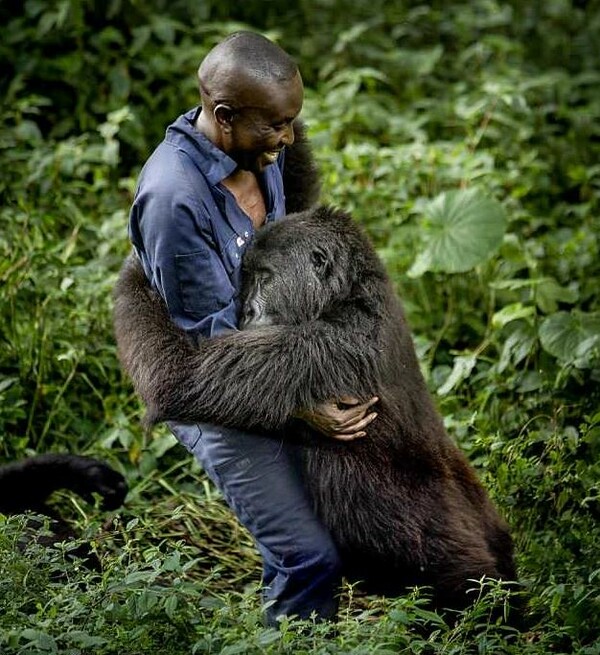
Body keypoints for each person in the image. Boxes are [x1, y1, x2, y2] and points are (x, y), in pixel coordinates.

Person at [127, 31, 378, 625]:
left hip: (270, 354)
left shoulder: (260, 146)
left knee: (344, 527)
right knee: (306, 556)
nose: (289, 140)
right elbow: (210, 346)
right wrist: (303, 404)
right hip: (215, 387)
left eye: (293, 123)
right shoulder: (174, 199)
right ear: (223, 115)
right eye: (276, 127)